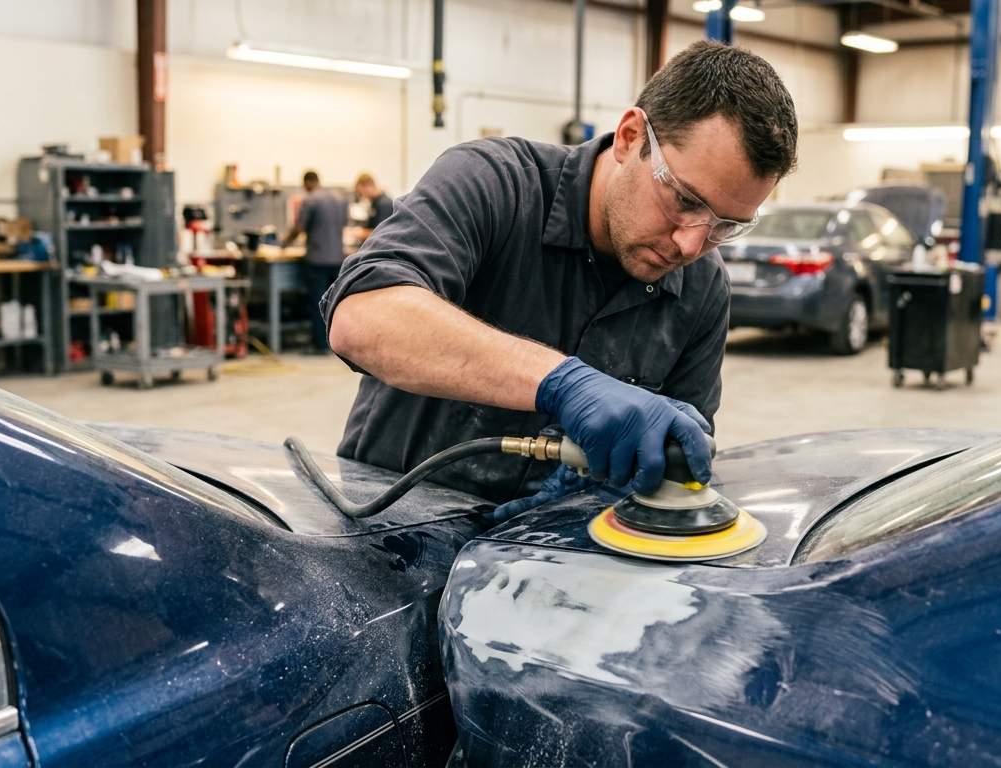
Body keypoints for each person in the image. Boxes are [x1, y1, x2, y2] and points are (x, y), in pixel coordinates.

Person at [320, 41, 798, 508]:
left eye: (725, 226)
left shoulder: (702, 286)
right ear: (631, 137)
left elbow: (675, 459)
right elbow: (363, 316)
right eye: (685, 201)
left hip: (553, 557)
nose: (691, 244)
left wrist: (597, 501)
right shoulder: (495, 183)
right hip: (388, 537)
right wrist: (561, 383)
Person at [283, 170, 350, 355]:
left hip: (317, 259)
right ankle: (339, 345)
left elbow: (299, 227)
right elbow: (344, 223)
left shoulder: (310, 200)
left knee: (318, 302)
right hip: (338, 258)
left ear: (307, 183)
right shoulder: (340, 199)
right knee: (336, 303)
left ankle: (320, 345)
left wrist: (283, 243)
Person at [353, 172, 394, 241]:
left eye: (361, 192)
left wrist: (359, 233)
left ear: (368, 186)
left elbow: (381, 233)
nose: (362, 196)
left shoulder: (384, 204)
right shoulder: (374, 202)